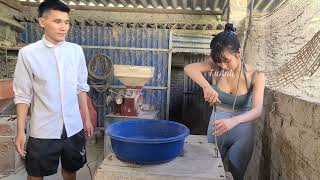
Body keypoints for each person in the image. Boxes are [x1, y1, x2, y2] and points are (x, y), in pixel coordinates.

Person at [13, 0, 93, 180]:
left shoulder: (76, 51)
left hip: (73, 126)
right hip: (43, 128)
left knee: (70, 171)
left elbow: (81, 88)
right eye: (57, 21)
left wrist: (86, 119)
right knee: (35, 174)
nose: (63, 27)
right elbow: (23, 95)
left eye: (66, 22)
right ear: (42, 22)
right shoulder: (28, 54)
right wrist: (20, 131)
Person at [184, 23, 265, 180]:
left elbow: (257, 110)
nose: (222, 65)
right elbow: (189, 68)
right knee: (209, 172)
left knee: (236, 175)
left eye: (227, 61)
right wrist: (207, 87)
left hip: (242, 131)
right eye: (218, 61)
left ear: (238, 53)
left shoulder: (256, 75)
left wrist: (233, 121)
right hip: (216, 128)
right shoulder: (217, 66)